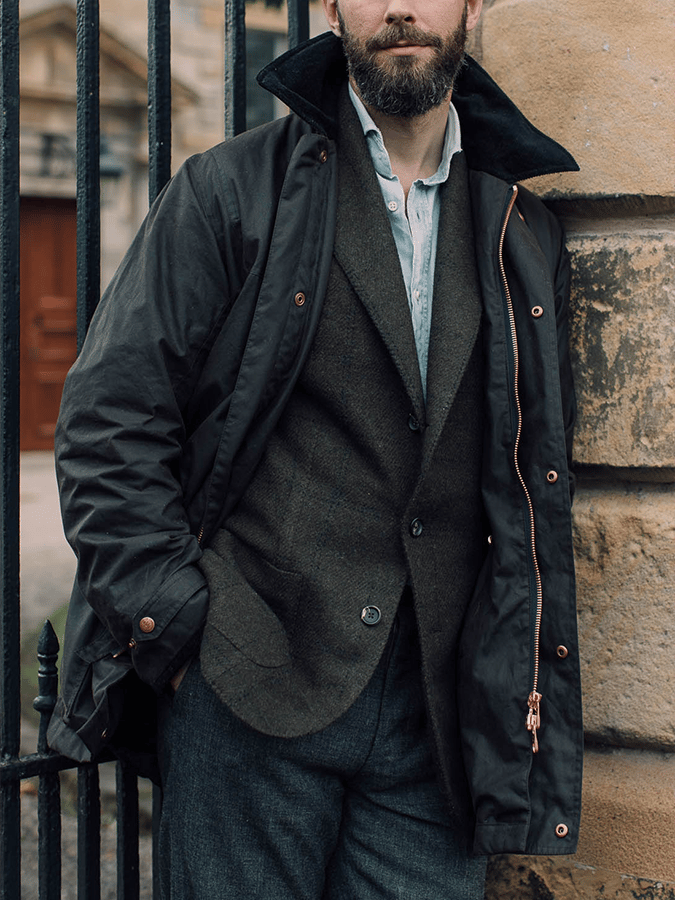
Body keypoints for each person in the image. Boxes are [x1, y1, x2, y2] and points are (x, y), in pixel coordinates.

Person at [48, 0, 583, 895]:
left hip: (436, 727)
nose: (400, 7)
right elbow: (109, 422)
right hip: (246, 693)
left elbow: (531, 473)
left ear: (473, 4)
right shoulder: (229, 189)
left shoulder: (521, 231)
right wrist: (180, 631)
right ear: (331, 7)